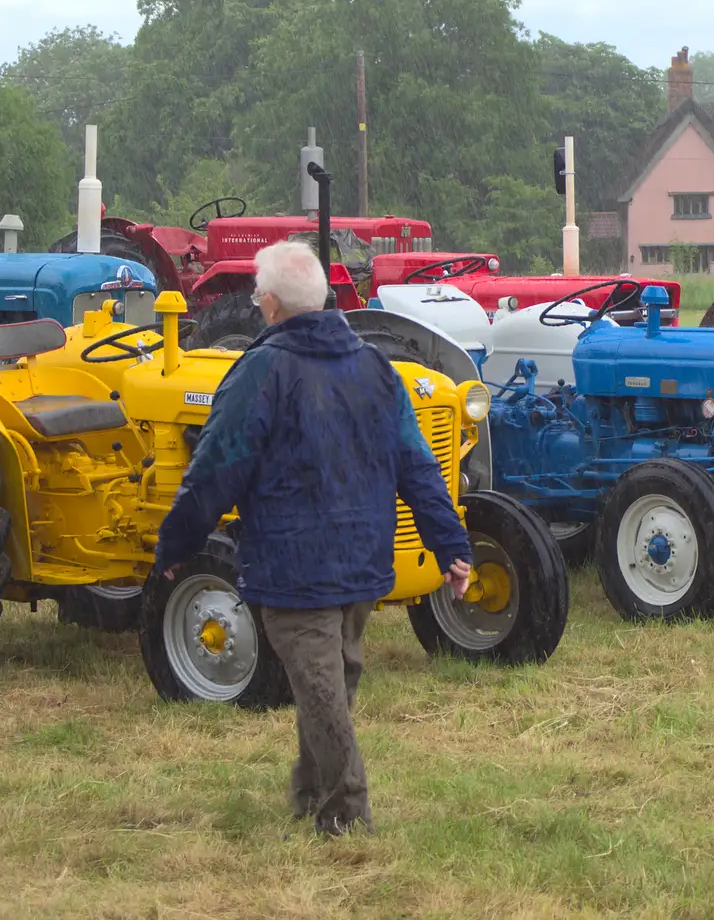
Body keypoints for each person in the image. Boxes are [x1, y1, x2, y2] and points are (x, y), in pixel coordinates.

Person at [153, 240, 475, 836]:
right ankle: (310, 792)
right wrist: (452, 544)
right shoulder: (376, 366)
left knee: (324, 687)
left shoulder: (260, 371)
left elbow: (216, 469)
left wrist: (174, 546)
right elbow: (418, 464)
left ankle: (347, 814)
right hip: (364, 562)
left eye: (256, 294)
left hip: (295, 565)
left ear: (270, 304)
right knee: (330, 679)